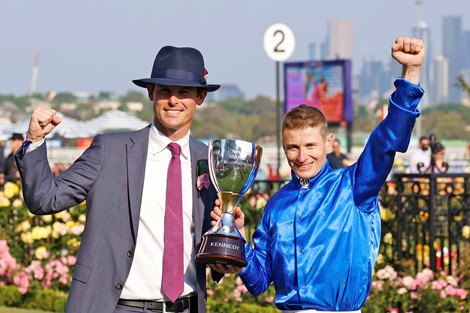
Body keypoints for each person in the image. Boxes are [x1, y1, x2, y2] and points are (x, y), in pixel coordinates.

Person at [212, 37, 425, 312]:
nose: (302, 157)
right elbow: (258, 282)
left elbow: (386, 139)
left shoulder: (355, 186)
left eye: (310, 145)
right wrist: (238, 234)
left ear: (328, 143)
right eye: (293, 148)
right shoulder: (276, 205)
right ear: (284, 147)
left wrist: (411, 72)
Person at [16, 46, 222, 313]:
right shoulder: (110, 151)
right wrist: (34, 141)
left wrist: (229, 235)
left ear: (201, 97)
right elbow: (44, 199)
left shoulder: (212, 162)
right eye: (165, 91)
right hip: (118, 307)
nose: (173, 100)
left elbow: (212, 251)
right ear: (151, 93)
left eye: (184, 92)